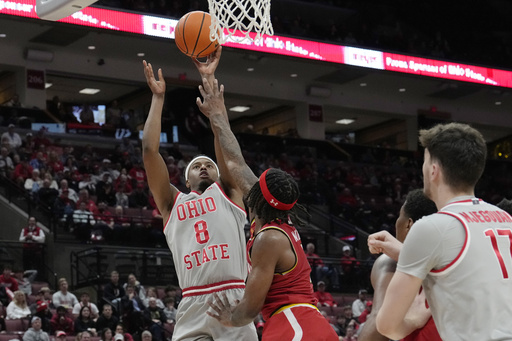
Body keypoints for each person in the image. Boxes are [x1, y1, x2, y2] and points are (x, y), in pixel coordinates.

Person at [142, 49, 257, 340]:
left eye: (209, 165)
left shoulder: (229, 193)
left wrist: (210, 81)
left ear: (219, 174)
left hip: (233, 296)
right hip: (193, 301)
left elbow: (226, 144)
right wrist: (157, 99)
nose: (204, 167)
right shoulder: (171, 203)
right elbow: (148, 151)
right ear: (186, 177)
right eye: (197, 166)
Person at [368, 123, 512, 340]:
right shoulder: (504, 218)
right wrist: (405, 251)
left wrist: (413, 321)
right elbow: (465, 260)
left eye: (425, 162)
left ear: (433, 171)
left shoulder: (431, 227)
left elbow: (387, 326)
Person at [206, 168, 339, 340]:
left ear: (258, 198)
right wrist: (219, 138)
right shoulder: (280, 223)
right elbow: (234, 163)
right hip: (311, 323)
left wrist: (230, 318)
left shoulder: (268, 239)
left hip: (293, 325)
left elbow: (249, 311)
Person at [359, 189, 441, 341]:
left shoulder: (390, 262)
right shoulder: (450, 260)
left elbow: (378, 322)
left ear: (409, 224)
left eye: (399, 217)